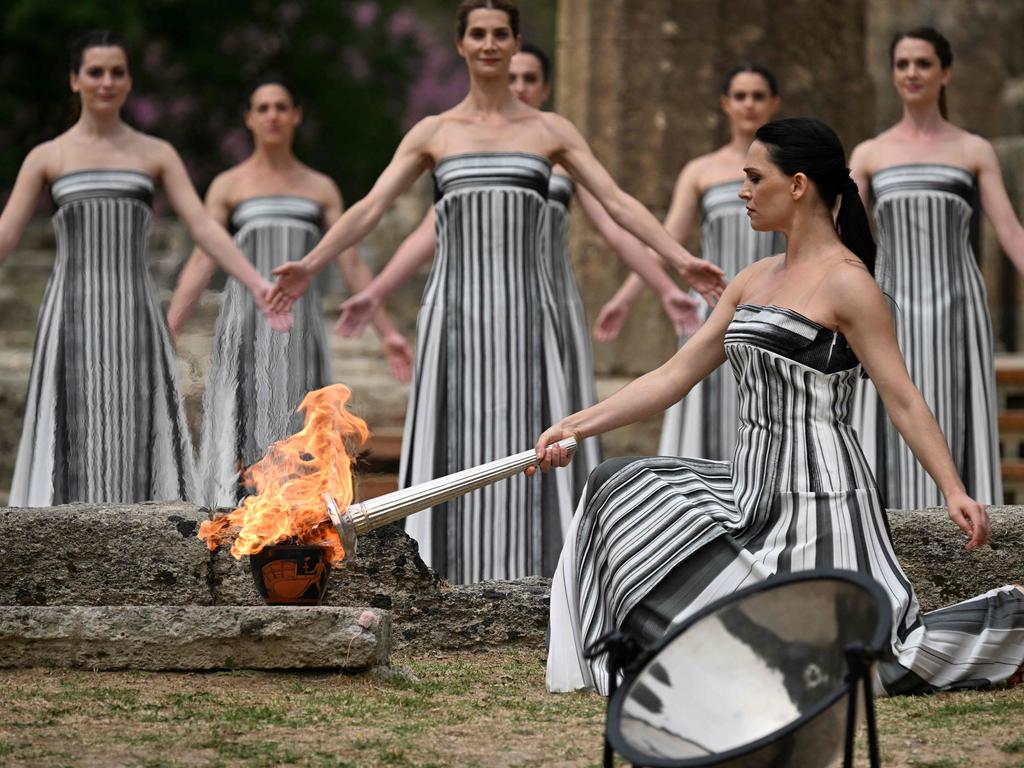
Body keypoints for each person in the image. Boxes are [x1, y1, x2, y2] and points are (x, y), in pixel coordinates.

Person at [533, 117, 1024, 695]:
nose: (741, 191)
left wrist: (953, 490)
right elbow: (673, 376)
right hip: (750, 490)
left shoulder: (849, 284)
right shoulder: (751, 280)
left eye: (753, 177)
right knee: (618, 485)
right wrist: (574, 425)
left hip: (821, 502)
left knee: (845, 666)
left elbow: (903, 398)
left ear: (796, 185)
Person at [267, 0, 726, 584]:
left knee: (539, 437)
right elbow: (371, 208)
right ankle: (440, 576)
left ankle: (550, 577)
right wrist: (312, 263)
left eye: (500, 34)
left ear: (514, 43)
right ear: (461, 45)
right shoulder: (435, 132)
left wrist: (680, 258)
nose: (489, 44)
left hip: (530, 316)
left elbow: (617, 203)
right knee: (451, 438)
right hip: (453, 316)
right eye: (478, 34)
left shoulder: (550, 130)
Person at [337, 42, 700, 507]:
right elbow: (425, 237)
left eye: (531, 79)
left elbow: (615, 226)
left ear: (546, 87)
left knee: (549, 419)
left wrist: (665, 287)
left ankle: (556, 532)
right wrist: (375, 294)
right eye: (515, 78)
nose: (521, 87)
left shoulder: (561, 155)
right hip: (473, 309)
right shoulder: (463, 154)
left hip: (547, 308)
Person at [0, 31, 291, 507]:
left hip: (136, 314)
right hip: (69, 316)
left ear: (129, 81)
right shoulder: (47, 157)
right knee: (70, 427)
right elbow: (7, 236)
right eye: (95, 72)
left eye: (117, 72)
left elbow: (204, 226)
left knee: (137, 428)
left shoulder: (155, 154)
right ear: (75, 80)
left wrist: (259, 284)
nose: (106, 82)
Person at [165, 77, 412, 507]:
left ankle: (301, 521)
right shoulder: (229, 185)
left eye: (282, 107)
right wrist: (169, 326)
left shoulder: (319, 188)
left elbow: (350, 260)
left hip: (301, 331)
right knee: (241, 427)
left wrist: (388, 333)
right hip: (244, 327)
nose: (273, 115)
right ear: (249, 118)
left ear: (296, 115)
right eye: (263, 108)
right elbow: (204, 259)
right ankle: (234, 518)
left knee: (302, 431)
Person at [850, 27, 1024, 508]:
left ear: (945, 73)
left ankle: (972, 535)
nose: (911, 73)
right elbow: (842, 237)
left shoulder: (974, 150)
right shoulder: (868, 154)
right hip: (888, 310)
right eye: (902, 64)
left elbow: (1009, 231)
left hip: (958, 309)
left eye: (923, 63)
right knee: (889, 414)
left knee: (958, 413)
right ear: (892, 73)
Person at [593, 64, 783, 461]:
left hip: (777, 309)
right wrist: (626, 298)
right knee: (704, 409)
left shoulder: (788, 171)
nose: (749, 104)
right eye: (741, 96)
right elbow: (667, 240)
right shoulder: (700, 170)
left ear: (773, 104)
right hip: (714, 310)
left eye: (758, 96)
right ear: (725, 105)